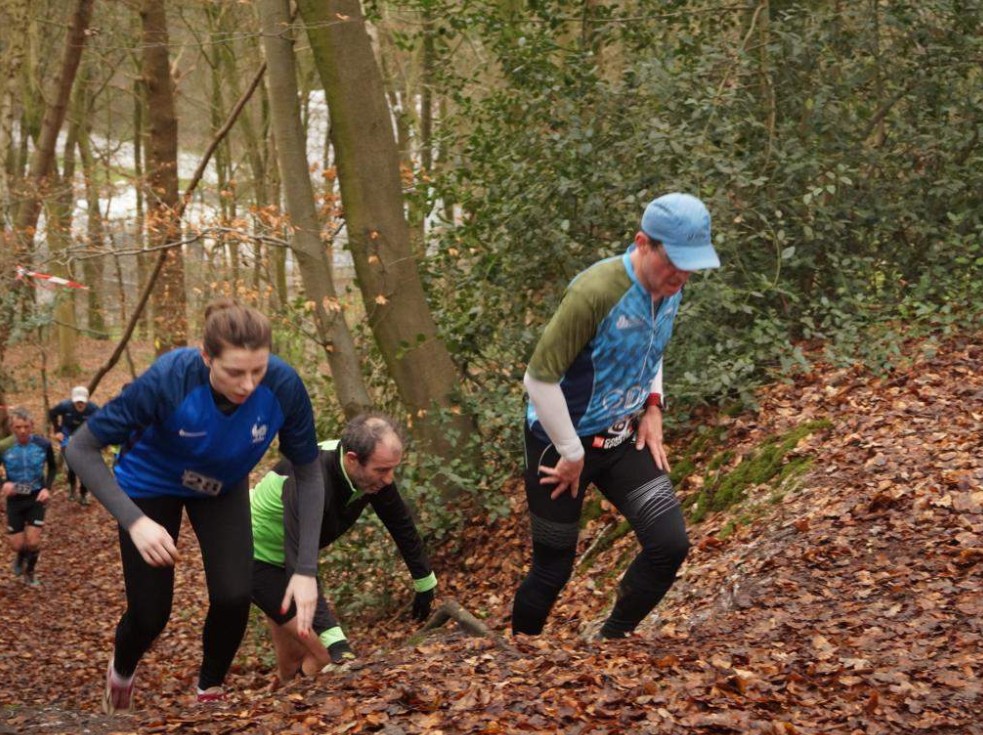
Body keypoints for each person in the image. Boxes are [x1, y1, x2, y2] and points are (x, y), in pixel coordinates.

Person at [66, 299, 325, 714]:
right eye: (234, 372)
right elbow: (80, 448)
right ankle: (122, 670)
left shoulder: (284, 386)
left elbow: (308, 473)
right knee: (150, 615)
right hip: (150, 485)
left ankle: (210, 689)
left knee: (234, 595)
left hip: (221, 486)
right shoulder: (168, 379)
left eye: (257, 370)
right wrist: (135, 522)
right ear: (206, 357)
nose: (248, 385)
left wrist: (305, 569)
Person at [511, 192, 720, 640]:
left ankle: (611, 644)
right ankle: (515, 661)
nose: (681, 276)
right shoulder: (595, 292)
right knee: (552, 570)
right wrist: (571, 452)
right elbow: (538, 380)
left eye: (690, 267)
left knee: (669, 545)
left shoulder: (671, 288)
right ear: (643, 243)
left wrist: (653, 404)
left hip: (621, 437)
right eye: (674, 263)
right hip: (558, 442)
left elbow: (651, 347)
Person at [250, 412, 437, 682]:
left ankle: (288, 698)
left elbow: (400, 522)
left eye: (392, 469)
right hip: (254, 558)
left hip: (290, 558)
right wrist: (336, 641)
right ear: (352, 459)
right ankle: (293, 700)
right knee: (325, 655)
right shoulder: (310, 480)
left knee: (293, 661)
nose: (388, 479)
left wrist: (424, 581)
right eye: (381, 470)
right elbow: (301, 561)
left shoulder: (369, 475)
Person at [1, 408, 57, 587]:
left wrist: (47, 488)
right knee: (17, 545)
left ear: (32, 426)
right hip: (15, 499)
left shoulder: (43, 444)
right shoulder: (4, 446)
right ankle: (20, 556)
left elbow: (53, 468)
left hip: (36, 497)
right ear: (12, 428)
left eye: (26, 426)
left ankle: (30, 572)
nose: (23, 431)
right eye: (18, 427)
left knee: (33, 542)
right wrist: (4, 484)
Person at [48, 385, 98, 504]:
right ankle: (72, 488)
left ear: (87, 400)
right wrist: (57, 430)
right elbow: (52, 413)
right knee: (72, 466)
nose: (80, 405)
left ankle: (83, 494)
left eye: (82, 402)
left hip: (85, 437)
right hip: (68, 435)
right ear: (73, 400)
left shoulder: (93, 409)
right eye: (77, 402)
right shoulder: (65, 406)